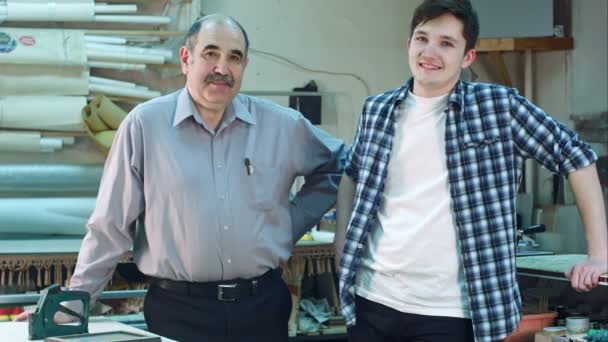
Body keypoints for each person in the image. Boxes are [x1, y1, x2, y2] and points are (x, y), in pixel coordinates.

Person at [17, 14, 345, 342]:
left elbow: (341, 165)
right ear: (186, 59)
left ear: (245, 64)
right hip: (179, 312)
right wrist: (72, 306)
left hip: (261, 309)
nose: (222, 67)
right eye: (211, 53)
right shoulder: (144, 126)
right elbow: (110, 227)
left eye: (234, 57)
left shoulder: (282, 126)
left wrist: (289, 223)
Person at [334, 1, 607, 342]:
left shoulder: (498, 107)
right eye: (422, 38)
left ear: (467, 57)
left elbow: (577, 156)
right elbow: (352, 172)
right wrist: (341, 246)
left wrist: (599, 255)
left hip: (451, 312)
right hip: (372, 301)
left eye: (446, 43)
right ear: (409, 45)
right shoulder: (377, 110)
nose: (429, 51)